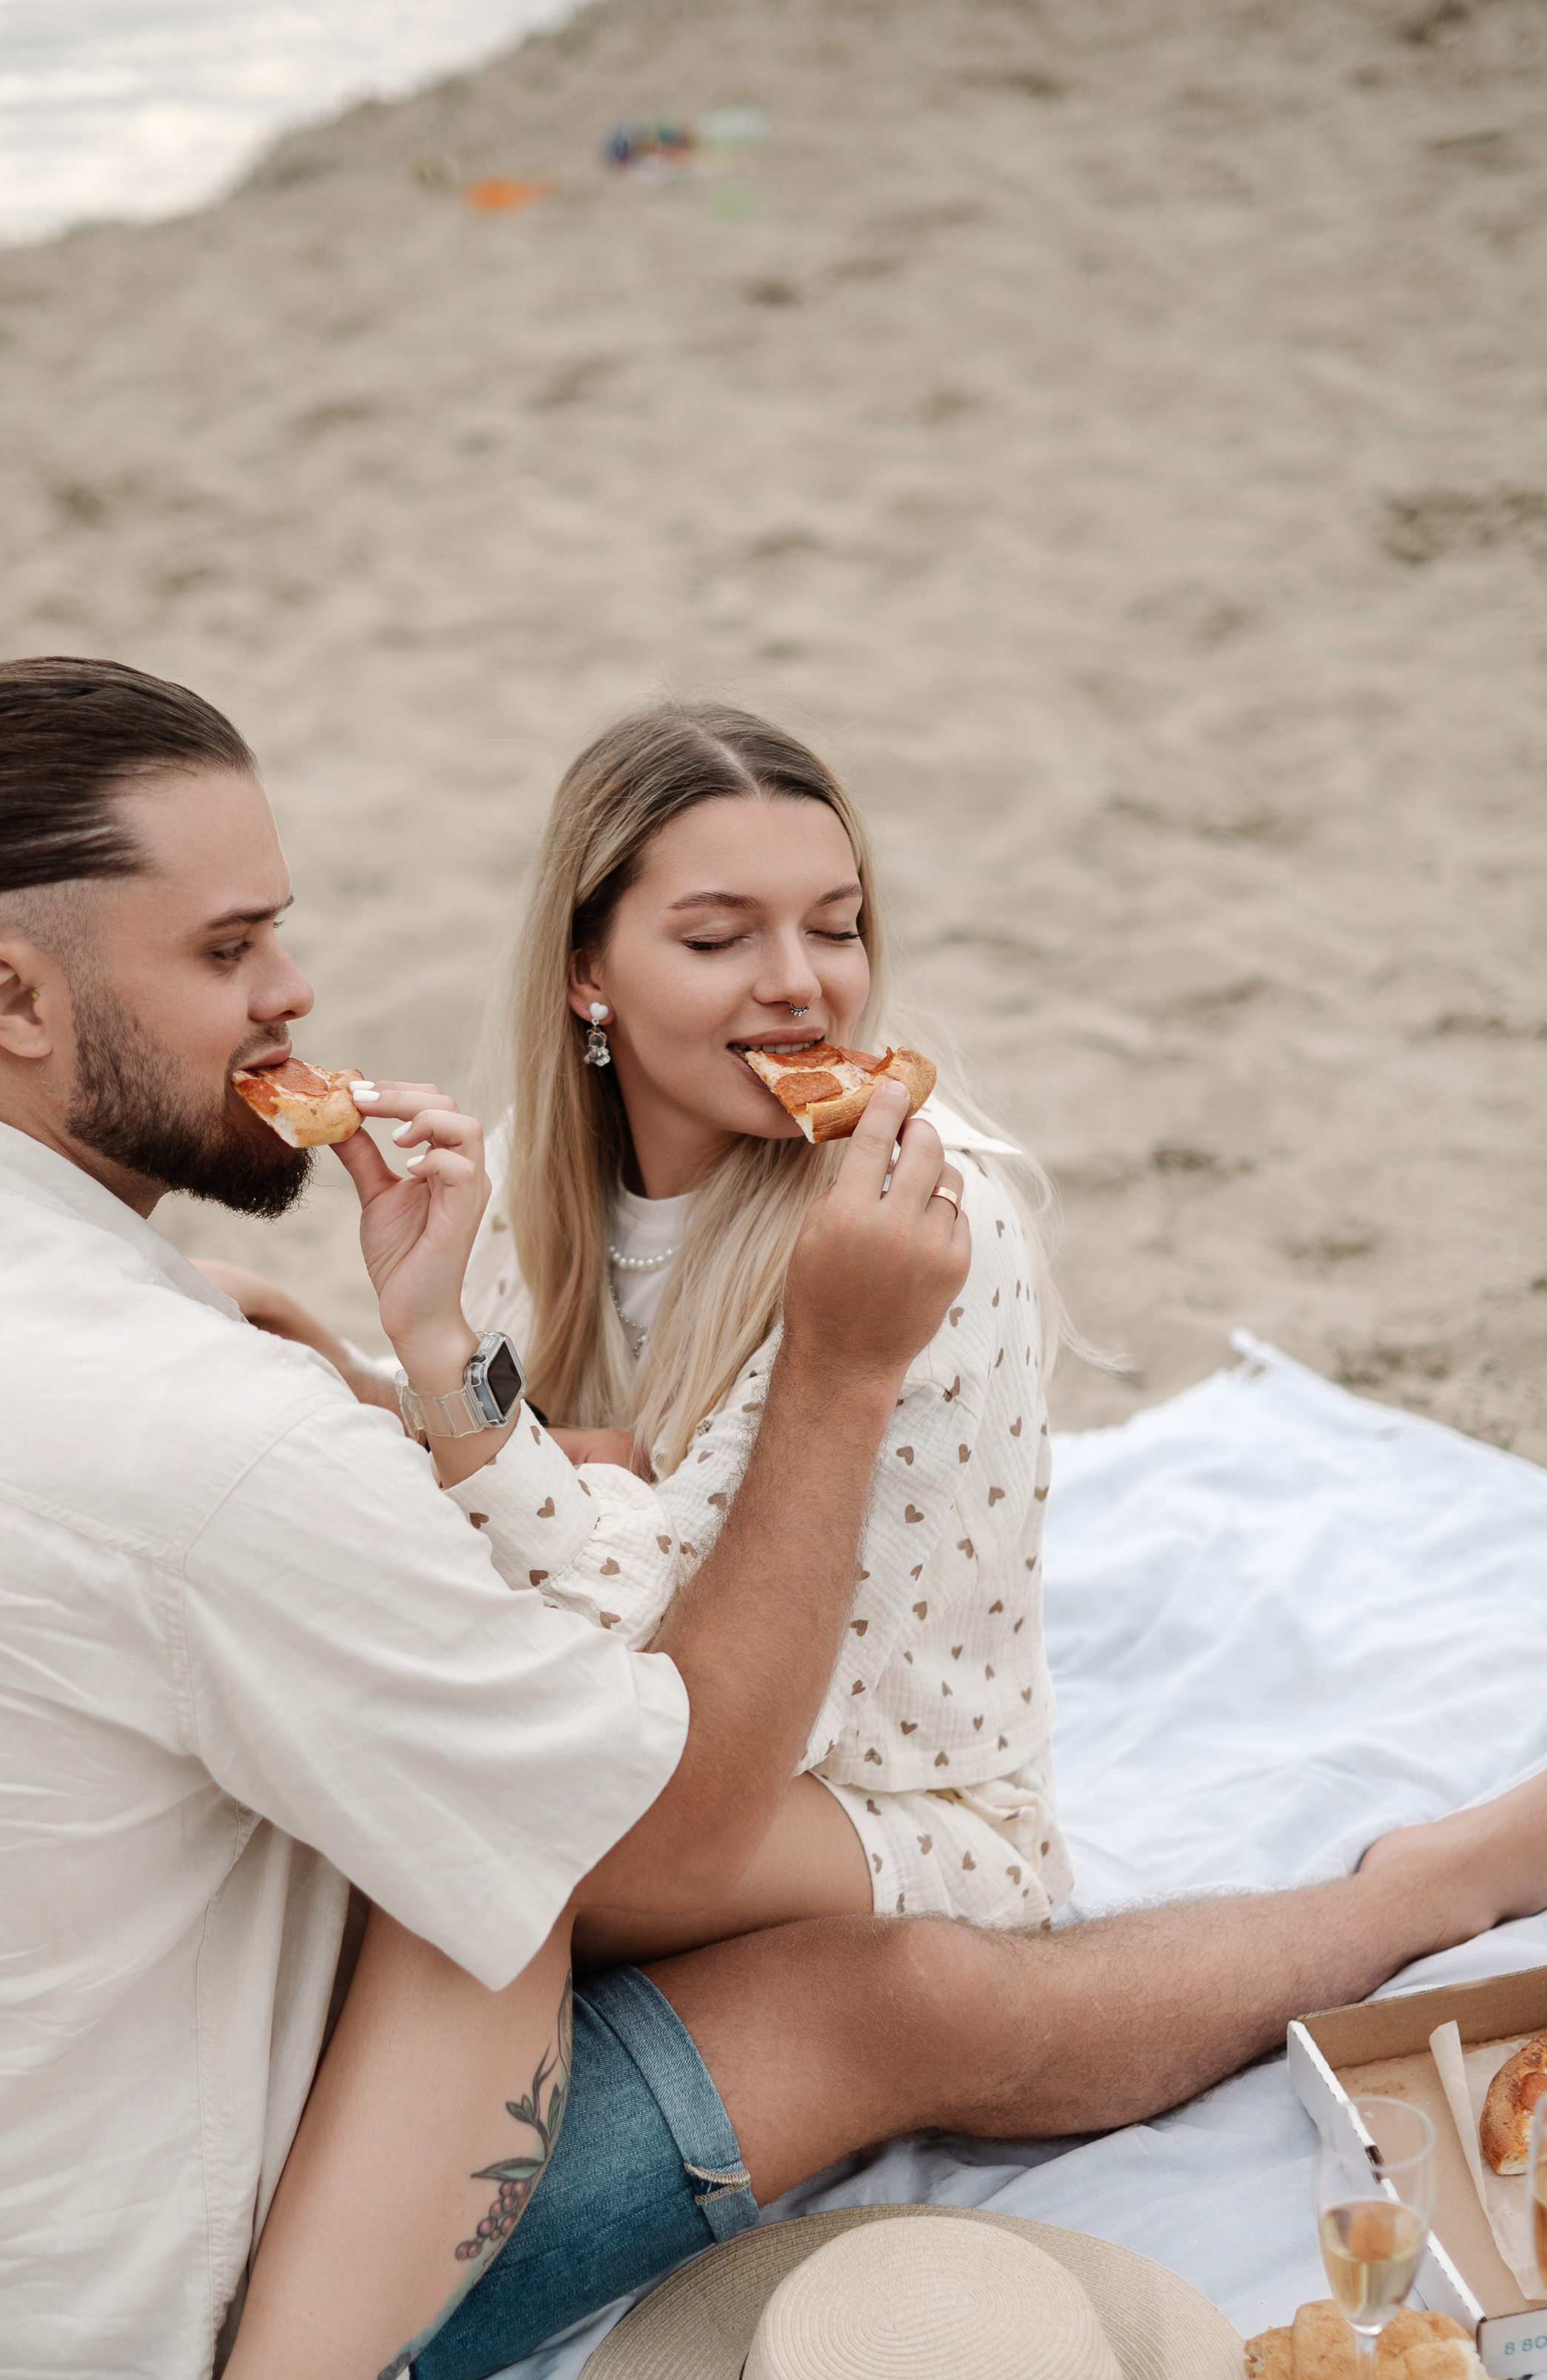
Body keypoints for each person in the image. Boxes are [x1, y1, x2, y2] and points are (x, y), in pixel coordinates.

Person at [0, 657, 1541, 2380]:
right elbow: (602, 1774)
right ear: (5, 991)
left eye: (283, 930)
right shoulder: (220, 1420)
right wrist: (446, 1393)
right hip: (90, 2360)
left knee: (495, 1811)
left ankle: (1425, 1888)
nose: (298, 989)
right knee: (720, 1939)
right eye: (231, 948)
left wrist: (411, 1405)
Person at [215, 701, 1068, 1949]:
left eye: (837, 926)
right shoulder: (530, 1181)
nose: (801, 982)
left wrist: (451, 1377)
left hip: (895, 1812)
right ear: (587, 972)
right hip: (667, 1754)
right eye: (721, 936)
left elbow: (670, 1654)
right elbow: (533, 1494)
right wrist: (353, 1355)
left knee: (449, 1846)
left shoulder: (916, 1226)